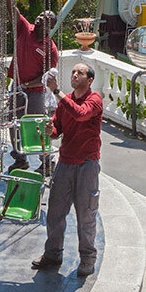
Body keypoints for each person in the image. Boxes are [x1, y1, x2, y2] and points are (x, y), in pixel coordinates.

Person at [32, 62, 103, 277]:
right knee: (55, 212)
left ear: (89, 80)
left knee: (86, 214)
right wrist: (49, 130)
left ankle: (88, 259)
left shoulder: (94, 100)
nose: (75, 75)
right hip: (65, 163)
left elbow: (81, 114)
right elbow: (57, 130)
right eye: (73, 72)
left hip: (86, 165)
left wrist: (57, 92)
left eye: (80, 73)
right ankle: (53, 254)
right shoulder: (65, 101)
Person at [4, 0, 59, 174]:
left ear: (49, 25)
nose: (39, 18)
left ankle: (46, 162)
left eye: (44, 18)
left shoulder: (50, 48)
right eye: (39, 15)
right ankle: (20, 159)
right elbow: (12, 9)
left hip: (34, 93)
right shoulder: (24, 29)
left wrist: (29, 84)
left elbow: (47, 76)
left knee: (35, 126)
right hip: (17, 88)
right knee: (12, 124)